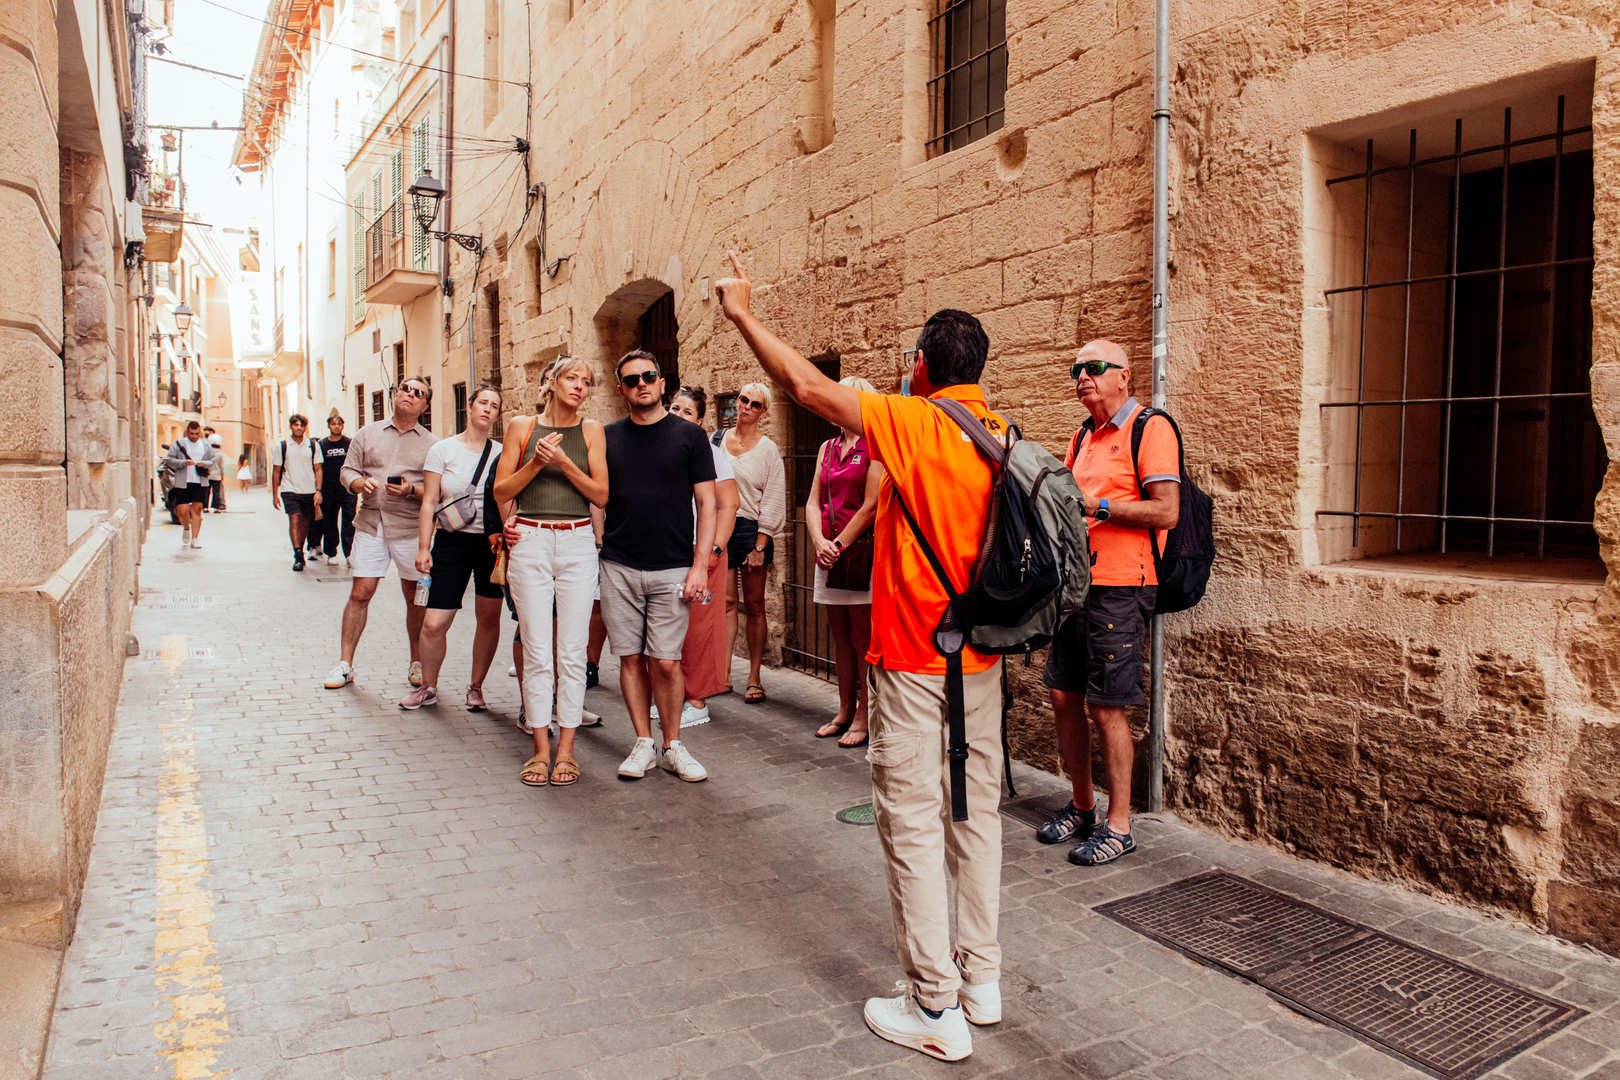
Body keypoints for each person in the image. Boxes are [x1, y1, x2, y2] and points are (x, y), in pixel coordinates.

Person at [719, 252, 1006, 1062]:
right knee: (974, 814)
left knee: (912, 820)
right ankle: (980, 980)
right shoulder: (1001, 431)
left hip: (917, 653)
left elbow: (808, 391)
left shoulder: (913, 422)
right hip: (981, 659)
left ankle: (933, 1005)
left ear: (920, 368)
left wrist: (743, 314)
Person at [1037, 340, 1181, 866]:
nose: (1082, 376)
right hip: (1077, 584)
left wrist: (1099, 506)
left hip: (1123, 584)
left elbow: (1166, 512)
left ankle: (1120, 825)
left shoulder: (1150, 428)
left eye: (1094, 368)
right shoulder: (1082, 435)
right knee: (1060, 696)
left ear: (1125, 375)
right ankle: (1082, 806)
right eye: (1076, 369)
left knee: (1105, 706)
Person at [598, 350, 717, 784]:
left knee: (666, 662)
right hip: (619, 565)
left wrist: (700, 565)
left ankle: (674, 744)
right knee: (630, 658)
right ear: (622, 389)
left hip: (672, 567)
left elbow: (707, 502)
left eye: (648, 376)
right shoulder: (608, 437)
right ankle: (644, 742)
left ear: (662, 382)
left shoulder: (689, 436)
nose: (641, 384)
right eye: (631, 380)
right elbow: (595, 494)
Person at [490, 358, 607, 787]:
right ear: (552, 383)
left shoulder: (591, 431)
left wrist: (563, 461)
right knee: (538, 651)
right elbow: (501, 490)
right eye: (572, 379)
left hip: (577, 541)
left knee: (572, 653)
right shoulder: (522, 427)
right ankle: (540, 749)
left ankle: (568, 751)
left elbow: (601, 493)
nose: (580, 387)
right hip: (531, 538)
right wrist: (537, 463)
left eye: (587, 382)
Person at [324, 378, 434, 690]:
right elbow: (348, 470)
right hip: (371, 523)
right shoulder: (367, 434)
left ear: (425, 406)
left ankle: (416, 662)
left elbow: (437, 491)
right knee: (361, 592)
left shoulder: (431, 444)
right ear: (394, 395)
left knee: (415, 598)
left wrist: (411, 489)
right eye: (405, 389)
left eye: (418, 393)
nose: (410, 395)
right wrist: (358, 484)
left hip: (410, 528)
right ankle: (345, 664)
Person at [402, 385, 506, 712]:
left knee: (488, 618)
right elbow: (429, 500)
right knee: (434, 622)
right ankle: (429, 687)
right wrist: (423, 547)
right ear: (470, 407)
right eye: (482, 403)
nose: (487, 409)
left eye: (494, 405)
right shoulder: (443, 450)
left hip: (491, 543)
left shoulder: (502, 453)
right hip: (450, 541)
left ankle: (475, 688)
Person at [805, 377, 885, 749]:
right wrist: (819, 541)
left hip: (859, 553)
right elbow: (812, 501)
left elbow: (871, 504)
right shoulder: (828, 447)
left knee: (862, 638)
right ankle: (843, 708)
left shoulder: (876, 446)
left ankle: (864, 715)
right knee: (838, 637)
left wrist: (837, 543)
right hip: (830, 552)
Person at [662, 386, 740, 727]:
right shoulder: (662, 449)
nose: (679, 416)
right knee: (672, 627)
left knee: (700, 628)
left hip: (704, 552)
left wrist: (715, 549)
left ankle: (697, 699)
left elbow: (729, 505)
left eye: (687, 412)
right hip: (671, 551)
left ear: (700, 420)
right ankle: (675, 695)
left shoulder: (711, 453)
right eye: (674, 409)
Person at [722, 381, 786, 705]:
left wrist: (760, 545)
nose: (746, 406)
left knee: (756, 604)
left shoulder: (768, 450)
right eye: (743, 399)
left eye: (755, 404)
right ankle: (723, 674)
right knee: (727, 603)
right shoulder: (717, 441)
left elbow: (773, 497)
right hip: (722, 526)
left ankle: (754, 676)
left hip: (750, 529)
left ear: (763, 412)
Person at [271, 415, 322, 572]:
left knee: (305, 522)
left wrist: (318, 490)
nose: (298, 428)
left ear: (305, 427)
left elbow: (318, 468)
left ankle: (300, 547)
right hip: (289, 489)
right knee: (294, 518)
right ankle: (298, 555)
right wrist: (275, 494)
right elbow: (276, 470)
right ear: (291, 426)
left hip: (309, 490)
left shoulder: (313, 445)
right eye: (296, 425)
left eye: (301, 425)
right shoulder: (282, 446)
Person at [164, 420, 213, 551]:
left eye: (197, 433)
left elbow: (212, 461)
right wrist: (183, 462)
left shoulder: (206, 446)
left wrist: (203, 463)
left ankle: (195, 539)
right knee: (182, 510)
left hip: (200, 481)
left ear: (200, 432)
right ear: (187, 432)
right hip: (183, 481)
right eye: (192, 433)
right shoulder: (179, 444)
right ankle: (186, 527)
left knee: (197, 510)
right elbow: (169, 460)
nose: (194, 436)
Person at [317, 414, 357, 566]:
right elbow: (318, 467)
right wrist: (318, 490)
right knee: (330, 520)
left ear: (342, 426)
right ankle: (331, 552)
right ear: (329, 426)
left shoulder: (349, 443)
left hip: (347, 489)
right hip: (329, 489)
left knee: (349, 520)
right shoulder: (322, 445)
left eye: (339, 424)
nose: (336, 426)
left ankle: (349, 554)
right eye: (333, 424)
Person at [204, 428, 227, 512]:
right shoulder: (220, 454)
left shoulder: (208, 452)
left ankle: (205, 507)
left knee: (206, 492)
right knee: (216, 492)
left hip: (208, 475)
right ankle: (216, 507)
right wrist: (222, 475)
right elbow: (221, 466)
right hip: (217, 476)